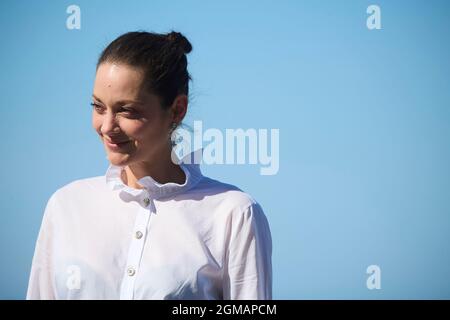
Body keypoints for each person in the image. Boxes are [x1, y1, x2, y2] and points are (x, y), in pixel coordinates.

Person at [26, 30, 272, 300]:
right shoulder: (65, 206)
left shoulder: (234, 214)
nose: (107, 126)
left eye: (127, 111)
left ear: (177, 110)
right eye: (98, 107)